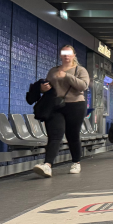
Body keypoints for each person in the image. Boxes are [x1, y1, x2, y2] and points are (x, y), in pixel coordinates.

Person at [32, 45, 90, 177]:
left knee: (72, 134)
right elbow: (48, 87)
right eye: (63, 53)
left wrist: (66, 76)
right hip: (56, 106)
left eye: (69, 53)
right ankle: (47, 165)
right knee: (55, 135)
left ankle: (76, 162)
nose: (66, 55)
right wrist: (43, 88)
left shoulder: (80, 70)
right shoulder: (53, 71)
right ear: (60, 55)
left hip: (76, 105)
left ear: (74, 55)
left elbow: (83, 86)